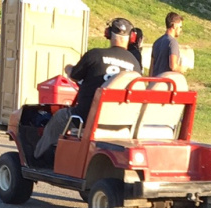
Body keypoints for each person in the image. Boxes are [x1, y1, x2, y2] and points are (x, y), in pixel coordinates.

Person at [33, 18, 141, 158]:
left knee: (59, 117)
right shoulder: (135, 65)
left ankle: (37, 158)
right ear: (131, 37)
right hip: (120, 120)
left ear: (108, 34)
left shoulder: (94, 55)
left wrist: (69, 68)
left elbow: (75, 76)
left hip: (86, 118)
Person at [150, 12, 184, 78]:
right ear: (174, 25)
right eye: (180, 27)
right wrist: (182, 69)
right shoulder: (172, 42)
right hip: (166, 83)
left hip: (154, 83)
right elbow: (173, 66)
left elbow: (151, 67)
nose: (180, 29)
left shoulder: (157, 42)